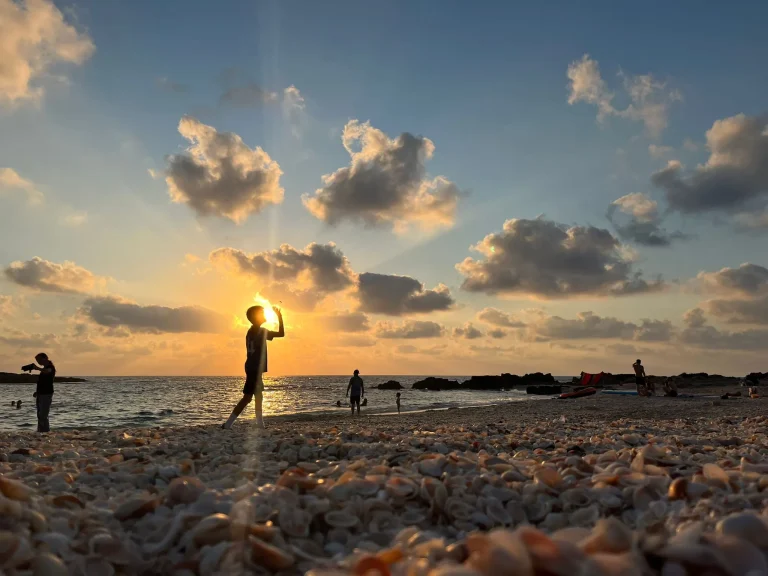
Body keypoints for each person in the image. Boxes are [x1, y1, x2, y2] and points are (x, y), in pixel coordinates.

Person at [222, 305, 284, 430]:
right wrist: (280, 317)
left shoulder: (251, 331)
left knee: (257, 396)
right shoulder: (260, 331)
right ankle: (229, 424)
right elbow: (281, 333)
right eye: (262, 313)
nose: (264, 315)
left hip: (252, 367)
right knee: (248, 397)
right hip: (254, 368)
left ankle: (258, 424)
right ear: (256, 317)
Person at [27, 353, 56, 432]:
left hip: (47, 394)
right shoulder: (44, 369)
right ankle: (41, 431)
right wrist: (37, 392)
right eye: (37, 360)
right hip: (41, 394)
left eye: (39, 359)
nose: (38, 361)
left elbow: (48, 371)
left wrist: (37, 368)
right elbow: (42, 382)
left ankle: (45, 432)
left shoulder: (50, 367)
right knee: (40, 415)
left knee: (43, 415)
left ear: (45, 358)